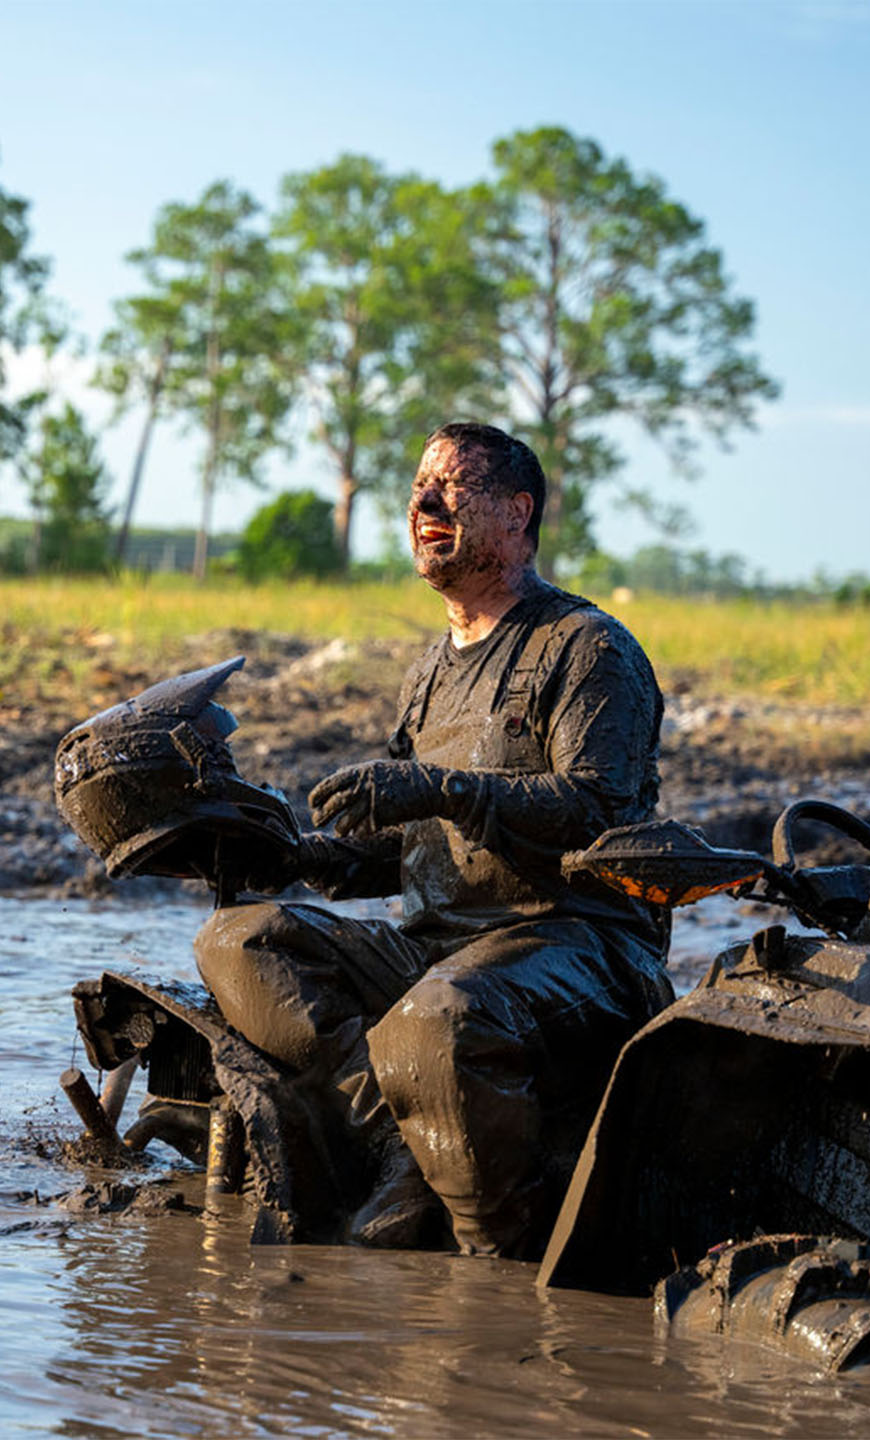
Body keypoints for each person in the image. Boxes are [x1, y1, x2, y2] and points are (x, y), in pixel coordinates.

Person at [193, 422, 673, 1259]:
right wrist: (298, 856)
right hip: (436, 946)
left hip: (579, 942)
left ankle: (492, 1255)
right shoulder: (430, 671)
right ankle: (402, 1144)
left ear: (517, 514)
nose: (421, 503)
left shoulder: (588, 648)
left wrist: (439, 788)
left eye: (452, 488)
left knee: (437, 1017)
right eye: (418, 488)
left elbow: (598, 812)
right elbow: (408, 848)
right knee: (238, 942)